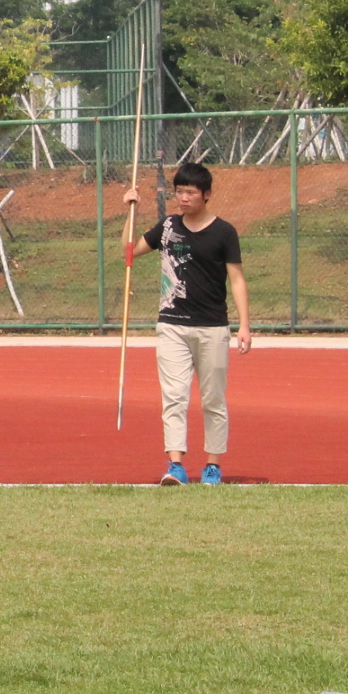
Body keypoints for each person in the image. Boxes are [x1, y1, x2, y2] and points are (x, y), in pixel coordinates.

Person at [124, 161, 252, 486]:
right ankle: (176, 465)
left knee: (213, 398)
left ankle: (212, 466)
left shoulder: (224, 232)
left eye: (190, 192)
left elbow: (236, 280)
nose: (183, 198)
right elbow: (129, 252)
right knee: (174, 397)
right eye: (179, 191)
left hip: (212, 326)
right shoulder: (168, 228)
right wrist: (131, 210)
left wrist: (244, 325)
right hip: (171, 326)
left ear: (206, 195)